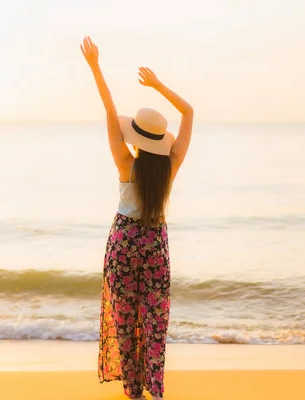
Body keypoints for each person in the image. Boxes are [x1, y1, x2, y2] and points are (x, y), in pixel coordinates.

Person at [80, 36, 194, 400]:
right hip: (154, 245)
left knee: (126, 321)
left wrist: (96, 67)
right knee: (154, 322)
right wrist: (159, 86)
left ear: (137, 140)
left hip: (124, 244)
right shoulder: (171, 166)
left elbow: (109, 108)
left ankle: (132, 390)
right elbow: (189, 113)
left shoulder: (126, 163)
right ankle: (155, 389)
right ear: (161, 141)